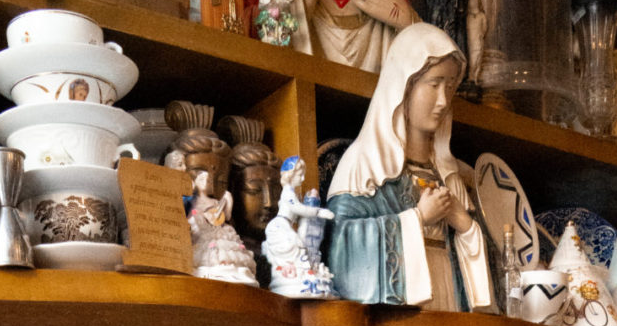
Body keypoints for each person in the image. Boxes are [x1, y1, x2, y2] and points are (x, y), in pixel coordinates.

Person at [326, 21, 493, 309]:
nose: (443, 100)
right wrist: (417, 219)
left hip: (448, 297)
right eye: (434, 83)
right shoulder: (365, 163)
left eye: (450, 86)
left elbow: (479, 273)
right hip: (400, 314)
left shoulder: (448, 173)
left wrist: (464, 225)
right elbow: (339, 244)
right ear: (404, 85)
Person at [262, 156, 334, 296]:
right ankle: (294, 275)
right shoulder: (288, 193)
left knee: (300, 246)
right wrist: (319, 211)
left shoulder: (291, 193)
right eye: (299, 175)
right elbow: (299, 209)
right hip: (280, 225)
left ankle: (300, 275)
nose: (302, 179)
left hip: (285, 225)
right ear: (290, 175)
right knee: (296, 246)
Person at [186, 170, 259, 286]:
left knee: (224, 249)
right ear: (196, 183)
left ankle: (227, 269)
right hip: (201, 232)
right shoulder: (193, 202)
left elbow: (227, 216)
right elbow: (190, 219)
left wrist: (227, 202)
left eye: (208, 180)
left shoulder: (215, 201)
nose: (205, 182)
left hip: (218, 230)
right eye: (202, 179)